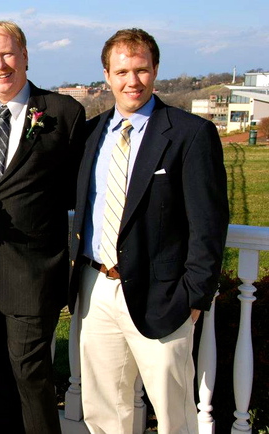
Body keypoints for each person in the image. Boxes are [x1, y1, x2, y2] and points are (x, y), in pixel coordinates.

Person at [68, 28, 229, 433]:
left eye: (141, 70)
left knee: (173, 412)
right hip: (96, 287)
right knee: (105, 409)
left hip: (164, 295)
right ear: (107, 75)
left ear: (155, 70)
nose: (132, 81)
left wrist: (195, 295)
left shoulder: (190, 134)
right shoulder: (90, 135)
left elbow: (209, 223)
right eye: (122, 71)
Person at [0, 21, 86, 433]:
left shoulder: (64, 113)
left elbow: (78, 191)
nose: (1, 64)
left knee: (31, 375)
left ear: (25, 56)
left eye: (8, 53)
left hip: (33, 272)